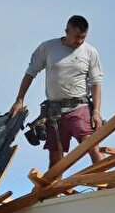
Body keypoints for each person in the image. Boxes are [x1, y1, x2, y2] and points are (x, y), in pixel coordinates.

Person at [10, 15, 105, 168]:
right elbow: (30, 73)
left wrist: (96, 112)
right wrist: (19, 100)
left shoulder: (90, 52)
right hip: (54, 111)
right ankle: (54, 190)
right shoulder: (48, 48)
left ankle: (105, 181)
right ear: (67, 31)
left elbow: (96, 83)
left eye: (83, 37)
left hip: (79, 107)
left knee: (91, 144)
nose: (79, 41)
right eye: (76, 37)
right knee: (55, 156)